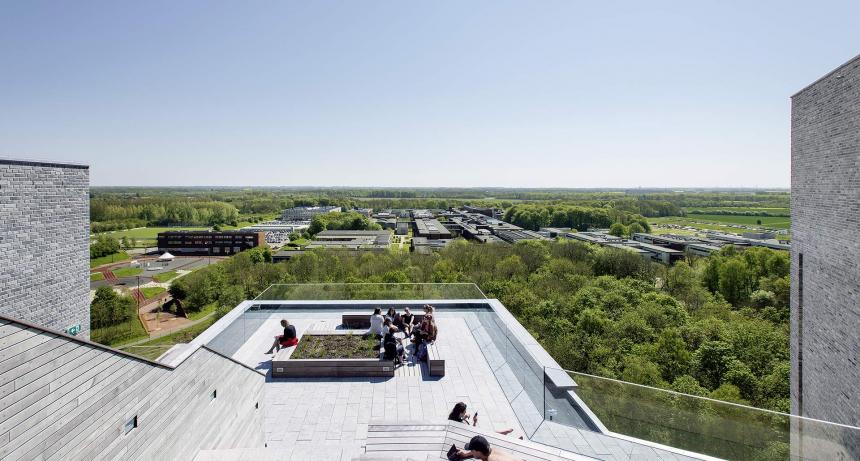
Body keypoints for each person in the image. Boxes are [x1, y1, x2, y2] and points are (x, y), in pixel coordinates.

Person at [448, 403, 514, 436]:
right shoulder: (462, 424)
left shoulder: (452, 416)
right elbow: (472, 432)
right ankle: (505, 433)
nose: (466, 412)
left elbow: (459, 420)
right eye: (464, 411)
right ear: (460, 413)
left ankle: (504, 433)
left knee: (490, 431)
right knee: (491, 433)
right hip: (472, 436)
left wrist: (464, 417)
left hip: (459, 432)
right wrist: (474, 422)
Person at [451, 435, 521, 461]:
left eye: (472, 450)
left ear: (478, 451)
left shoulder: (491, 459)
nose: (471, 452)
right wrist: (466, 454)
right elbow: (479, 454)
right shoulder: (493, 450)